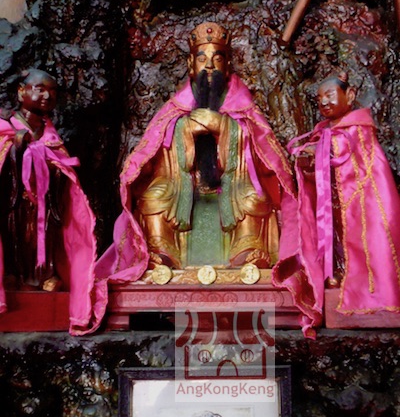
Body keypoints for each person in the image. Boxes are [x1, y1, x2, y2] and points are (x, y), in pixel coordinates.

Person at [95, 20, 299, 280]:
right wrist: (183, 130)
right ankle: (161, 251)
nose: (210, 65)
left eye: (218, 59)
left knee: (253, 197)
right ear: (190, 65)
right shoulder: (174, 110)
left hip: (232, 183)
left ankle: (247, 249)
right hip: (182, 184)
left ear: (227, 66)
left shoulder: (243, 107)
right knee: (154, 197)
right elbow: (149, 154)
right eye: (202, 59)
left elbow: (266, 154)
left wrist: (225, 128)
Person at [275, 72, 400, 319]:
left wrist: (318, 150)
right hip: (331, 206)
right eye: (319, 99)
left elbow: (346, 153)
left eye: (330, 95)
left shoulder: (358, 129)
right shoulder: (323, 132)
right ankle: (335, 276)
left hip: (359, 204)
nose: (324, 102)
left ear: (350, 95)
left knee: (363, 242)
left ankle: (366, 291)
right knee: (336, 242)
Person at [0, 68, 102, 335]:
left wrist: (53, 168)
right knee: (15, 237)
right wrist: (18, 147)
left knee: (48, 236)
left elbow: (63, 166)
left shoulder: (50, 134)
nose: (47, 95)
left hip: (46, 204)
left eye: (52, 91)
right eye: (40, 89)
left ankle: (44, 274)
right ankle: (16, 274)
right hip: (15, 203)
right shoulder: (6, 128)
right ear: (21, 92)